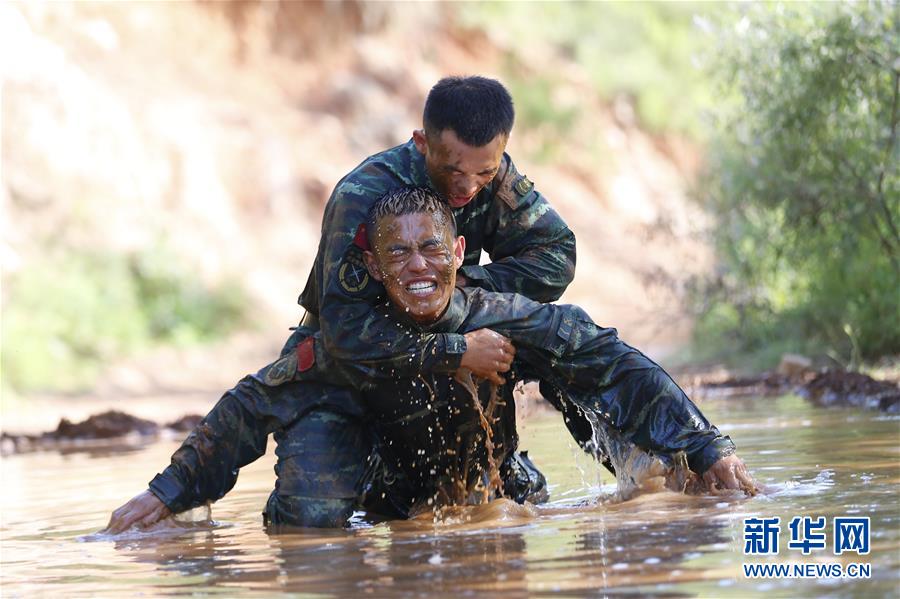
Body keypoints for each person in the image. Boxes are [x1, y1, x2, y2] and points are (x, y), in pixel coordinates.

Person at [105, 188, 755, 533]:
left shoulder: (499, 316)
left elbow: (608, 357)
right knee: (306, 527)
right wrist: (167, 492)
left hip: (498, 491)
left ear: (459, 252)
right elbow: (252, 403)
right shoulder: (351, 342)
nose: (418, 266)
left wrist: (706, 446)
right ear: (373, 267)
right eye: (399, 254)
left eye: (432, 249)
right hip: (389, 502)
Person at [105, 76, 576, 531]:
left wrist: (458, 292)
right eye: (453, 171)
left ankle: (488, 475)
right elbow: (281, 381)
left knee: (475, 504)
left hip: (443, 352)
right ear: (422, 143)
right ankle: (365, 476)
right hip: (355, 363)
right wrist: (169, 491)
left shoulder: (490, 178)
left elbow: (558, 263)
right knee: (309, 524)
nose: (468, 187)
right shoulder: (362, 196)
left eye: (484, 173)